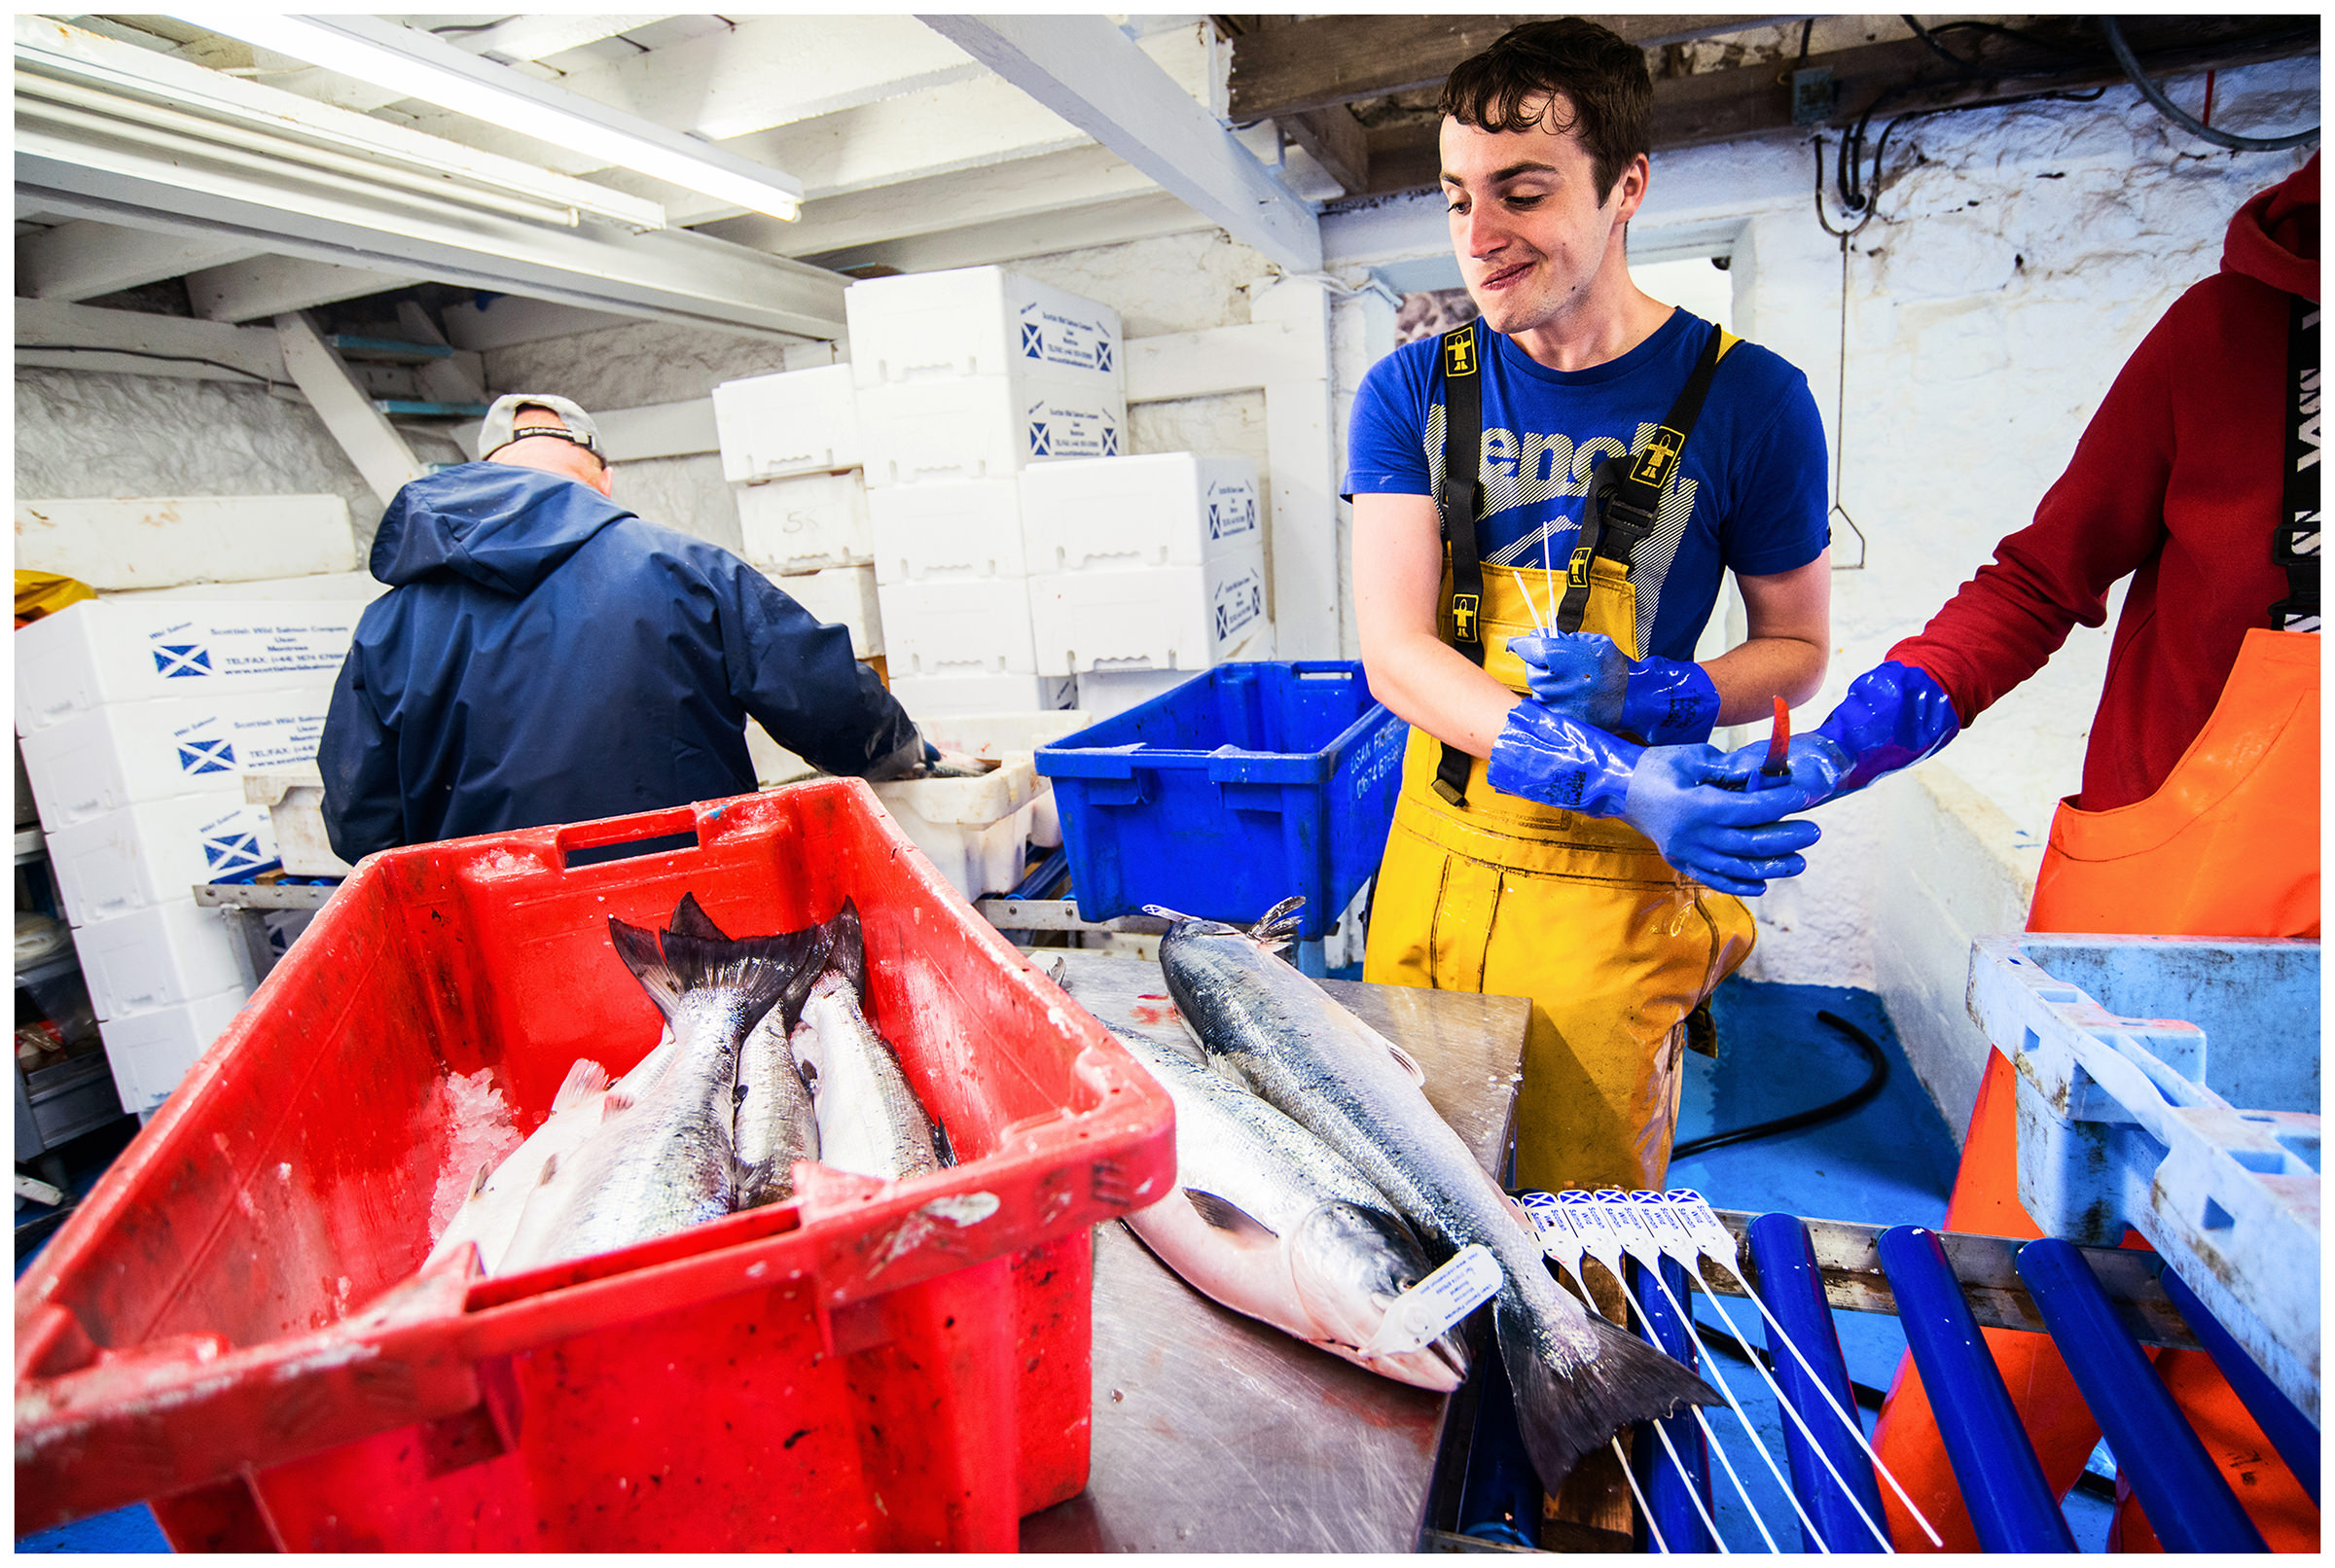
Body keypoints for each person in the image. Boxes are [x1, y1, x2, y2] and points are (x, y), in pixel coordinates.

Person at [1697, 154, 2320, 1550]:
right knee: (1999, 1353)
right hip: (2146, 956)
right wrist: (1880, 716)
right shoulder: (2227, 335)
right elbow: (2043, 579)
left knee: (2262, 1435)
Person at [1346, 18, 1836, 1195]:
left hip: (1616, 885)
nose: (1480, 237)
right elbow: (1397, 657)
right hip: (1435, 864)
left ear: (1627, 187)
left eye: (1522, 190)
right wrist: (1603, 762)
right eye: (1458, 197)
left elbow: (1802, 649)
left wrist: (1679, 692)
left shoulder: (1750, 400)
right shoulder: (1412, 390)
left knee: (1579, 1236)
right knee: (1418, 1210)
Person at [320, 393, 926, 862]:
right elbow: (828, 700)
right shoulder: (686, 570)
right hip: (690, 911)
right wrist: (904, 752)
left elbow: (360, 823)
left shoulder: (388, 624)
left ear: (489, 472)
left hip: (495, 925)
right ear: (603, 478)